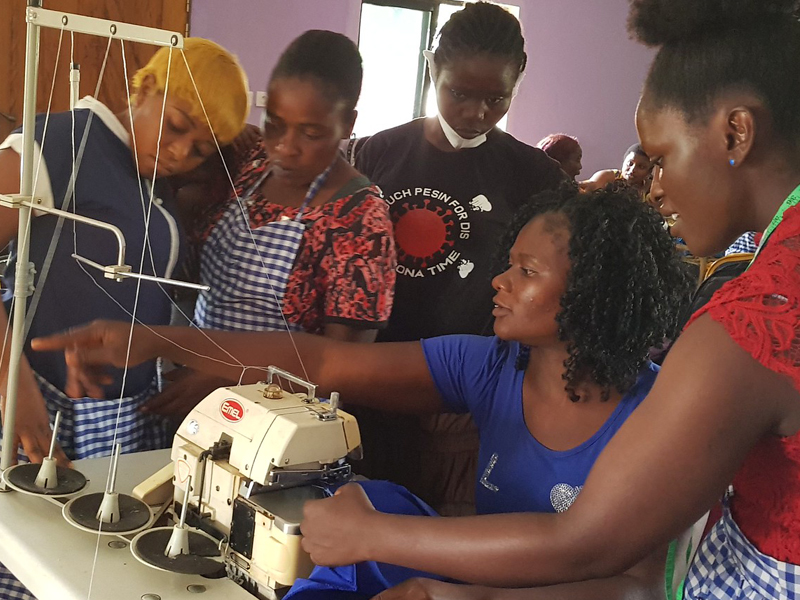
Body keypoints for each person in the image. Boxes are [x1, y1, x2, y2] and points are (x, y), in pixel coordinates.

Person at [33, 184, 693, 599]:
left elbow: (636, 587)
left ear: (591, 294)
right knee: (369, 506)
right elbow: (323, 360)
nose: (499, 283)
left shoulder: (659, 415)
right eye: (507, 265)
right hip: (469, 581)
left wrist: (435, 580)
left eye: (524, 271)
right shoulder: (495, 366)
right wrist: (157, 340)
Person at [0, 37, 248, 600]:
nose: (183, 150)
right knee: (31, 564)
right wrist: (12, 383)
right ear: (146, 86)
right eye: (178, 124)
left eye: (202, 148)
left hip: (120, 417)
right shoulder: (58, 144)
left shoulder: (151, 184)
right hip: (42, 409)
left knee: (98, 574)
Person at [353, 1, 565, 515]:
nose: (476, 113)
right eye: (460, 93)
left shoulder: (535, 176)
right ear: (431, 68)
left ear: (518, 82)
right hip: (372, 377)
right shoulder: (376, 154)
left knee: (444, 525)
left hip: (467, 401)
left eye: (497, 98)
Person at [144, 30, 396, 418]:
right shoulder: (250, 161)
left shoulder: (361, 219)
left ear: (348, 124)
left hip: (276, 425)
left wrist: (231, 378)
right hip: (194, 396)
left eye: (311, 133)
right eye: (275, 123)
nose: (285, 147)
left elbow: (343, 370)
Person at [582, 143, 652, 194]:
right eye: (630, 164)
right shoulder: (608, 177)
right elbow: (592, 185)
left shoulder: (650, 189)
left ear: (649, 171)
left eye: (641, 167)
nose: (632, 169)